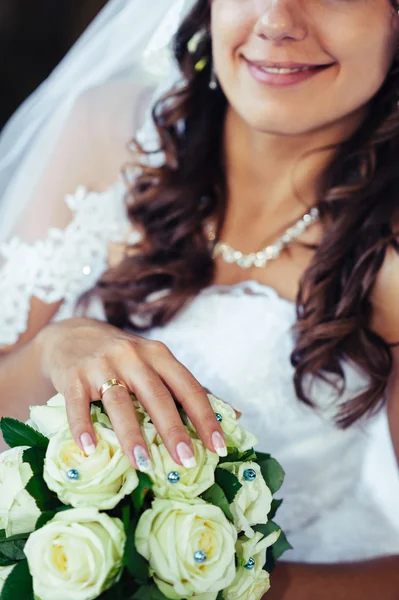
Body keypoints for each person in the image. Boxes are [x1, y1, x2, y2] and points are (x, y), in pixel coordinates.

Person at [1, 0, 399, 597]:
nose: (277, 21)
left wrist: (220, 581)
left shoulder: (388, 256)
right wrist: (58, 347)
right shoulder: (108, 133)